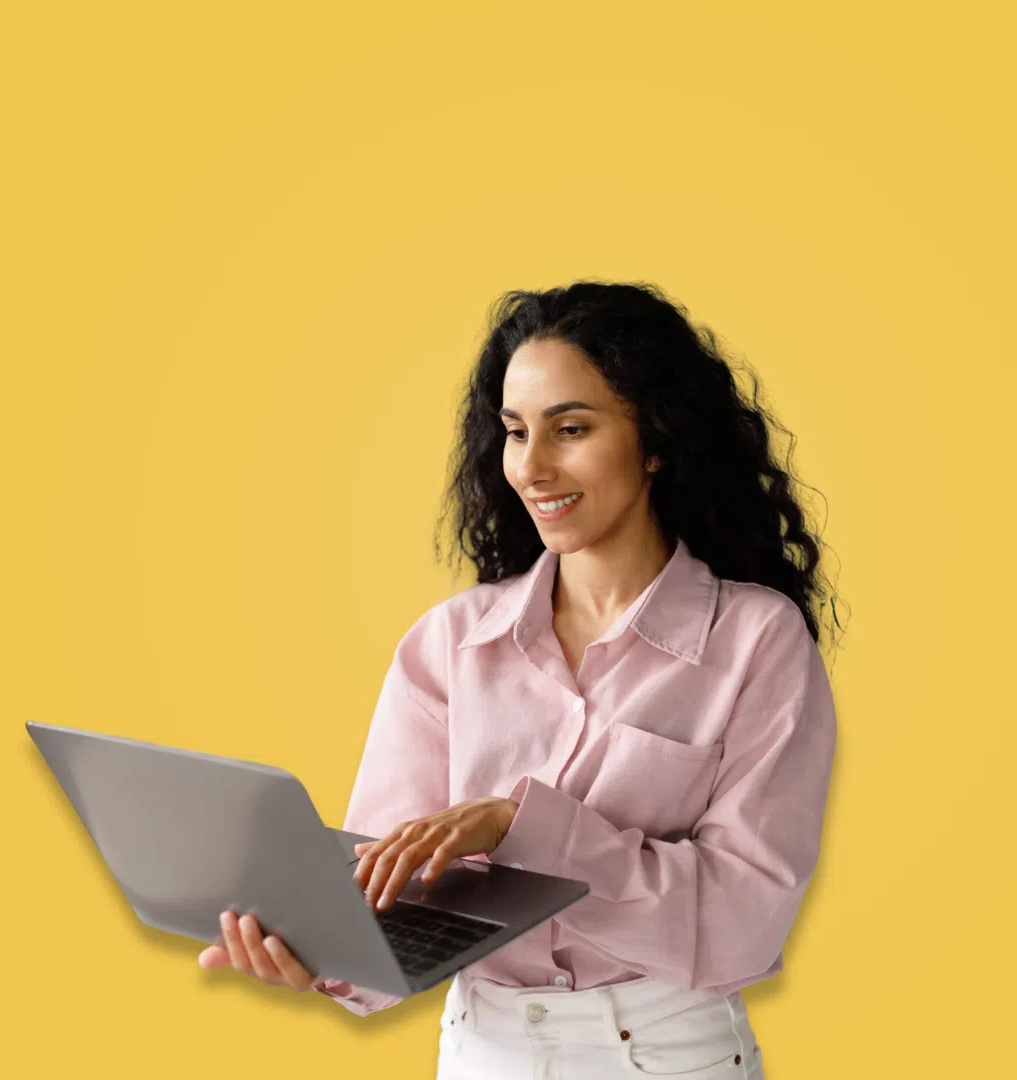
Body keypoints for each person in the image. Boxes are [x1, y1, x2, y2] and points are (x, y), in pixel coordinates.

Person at [197, 281, 843, 1078]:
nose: (531, 468)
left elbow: (743, 922)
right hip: (484, 1053)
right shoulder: (449, 644)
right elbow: (391, 888)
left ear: (655, 440)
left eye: (570, 429)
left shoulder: (755, 640)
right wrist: (322, 949)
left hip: (667, 1055)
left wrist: (522, 825)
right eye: (513, 433)